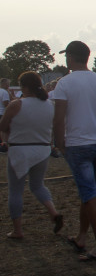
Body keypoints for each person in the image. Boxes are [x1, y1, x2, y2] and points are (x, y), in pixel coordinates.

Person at [51, 41, 96, 261]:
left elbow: (59, 119)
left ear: (71, 57)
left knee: (89, 195)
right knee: (87, 192)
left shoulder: (64, 83)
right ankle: (81, 237)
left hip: (78, 146)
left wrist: (60, 143)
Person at [1, 72, 62, 239]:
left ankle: (18, 230)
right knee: (38, 186)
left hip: (20, 150)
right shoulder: (50, 104)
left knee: (15, 190)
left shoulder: (16, 105)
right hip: (42, 150)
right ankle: (53, 211)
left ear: (24, 87)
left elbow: (3, 125)